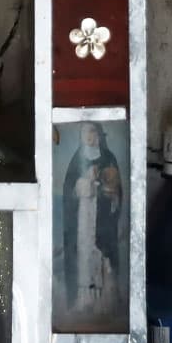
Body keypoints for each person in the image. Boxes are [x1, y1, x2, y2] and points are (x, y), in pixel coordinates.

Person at [57, 122, 126, 322]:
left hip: (103, 218)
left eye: (93, 133)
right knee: (85, 255)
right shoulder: (76, 161)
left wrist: (110, 190)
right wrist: (84, 182)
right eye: (86, 133)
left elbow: (117, 189)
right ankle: (84, 299)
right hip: (83, 218)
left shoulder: (109, 158)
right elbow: (70, 189)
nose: (90, 137)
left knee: (103, 255)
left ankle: (105, 301)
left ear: (99, 136)